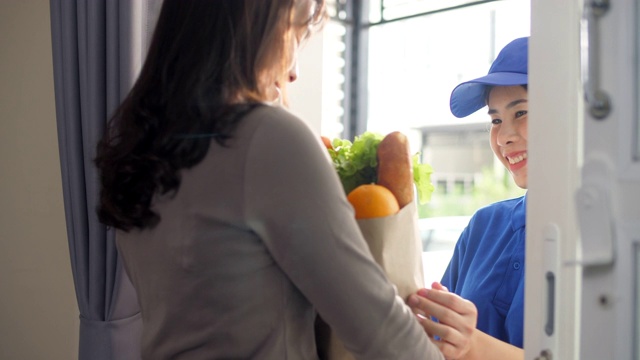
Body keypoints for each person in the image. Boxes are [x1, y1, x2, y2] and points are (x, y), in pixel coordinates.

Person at [95, 1, 450, 359]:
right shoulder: (267, 137)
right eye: (295, 31)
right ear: (251, 23)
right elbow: (380, 330)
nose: (294, 69)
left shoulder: (145, 149)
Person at [408, 37, 529, 360]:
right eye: (496, 120)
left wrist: (471, 344)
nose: (504, 137)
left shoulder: (604, 242)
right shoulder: (484, 225)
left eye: (521, 113)